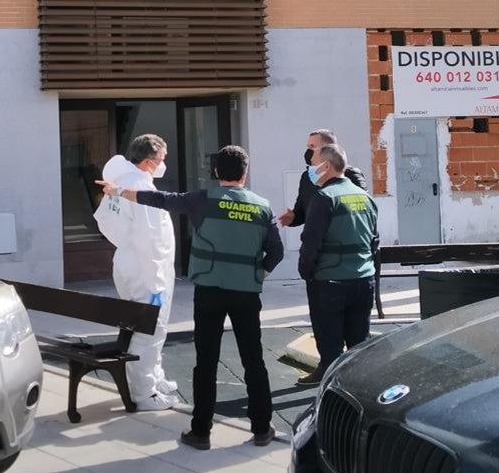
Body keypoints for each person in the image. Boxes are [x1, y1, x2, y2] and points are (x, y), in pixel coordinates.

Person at [98, 145, 284, 450]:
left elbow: (160, 200)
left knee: (206, 362)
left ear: (215, 173)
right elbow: (275, 252)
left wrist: (119, 191)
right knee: (253, 360)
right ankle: (262, 428)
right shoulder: (262, 207)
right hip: (246, 294)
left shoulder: (202, 200)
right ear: (245, 173)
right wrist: (258, 273)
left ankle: (201, 432)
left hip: (209, 292)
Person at [94, 134, 179, 411]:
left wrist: (125, 243)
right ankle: (144, 393)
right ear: (147, 161)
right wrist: (156, 281)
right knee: (149, 331)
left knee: (144, 329)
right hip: (148, 269)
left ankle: (154, 378)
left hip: (129, 263)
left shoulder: (118, 181)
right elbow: (151, 237)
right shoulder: (139, 186)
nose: (163, 164)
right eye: (160, 160)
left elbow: (104, 220)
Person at [296, 143, 378, 386]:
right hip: (364, 280)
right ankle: (360, 387)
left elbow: (311, 242)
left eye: (313, 165)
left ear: (327, 166)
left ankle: (332, 393)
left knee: (330, 345)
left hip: (330, 281)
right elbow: (374, 239)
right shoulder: (364, 197)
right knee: (359, 344)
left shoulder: (323, 198)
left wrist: (306, 272)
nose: (311, 170)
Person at [277, 129, 368, 228]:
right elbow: (302, 211)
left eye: (313, 147)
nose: (308, 151)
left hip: (342, 239)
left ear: (329, 149)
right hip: (316, 239)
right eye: (308, 147)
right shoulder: (307, 177)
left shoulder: (351, 175)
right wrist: (293, 218)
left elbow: (365, 211)